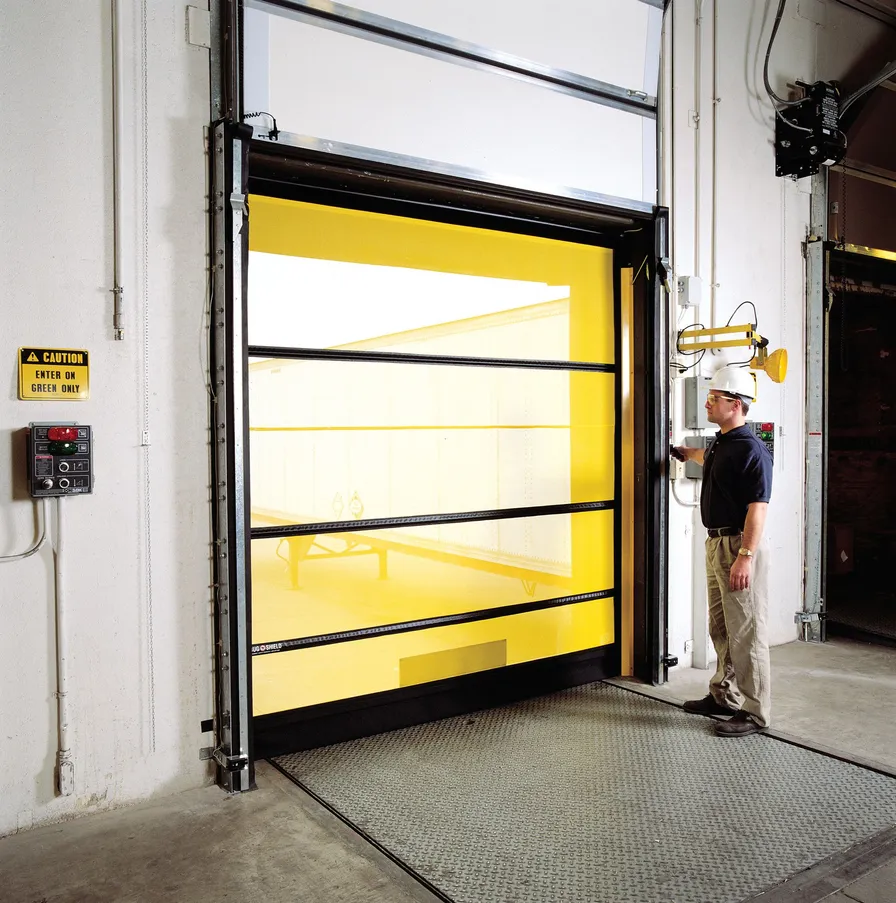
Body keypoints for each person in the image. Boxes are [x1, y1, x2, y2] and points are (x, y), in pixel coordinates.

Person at [672, 366, 773, 737]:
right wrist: (686, 454)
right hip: (716, 543)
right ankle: (724, 696)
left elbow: (757, 508)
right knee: (721, 627)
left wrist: (746, 555)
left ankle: (756, 713)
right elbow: (709, 458)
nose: (707, 403)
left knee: (746, 632)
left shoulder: (752, 450)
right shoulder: (721, 443)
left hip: (737, 547)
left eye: (714, 399)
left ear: (735, 405)